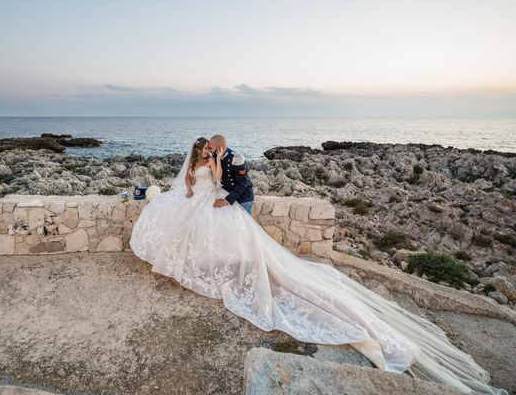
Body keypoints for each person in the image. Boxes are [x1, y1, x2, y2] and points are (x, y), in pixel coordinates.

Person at [129, 137, 506, 395]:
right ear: (198, 150)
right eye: (207, 149)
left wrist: (216, 174)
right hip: (205, 202)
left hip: (222, 204)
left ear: (216, 147)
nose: (210, 151)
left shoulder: (220, 160)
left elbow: (224, 181)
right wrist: (198, 188)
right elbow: (195, 186)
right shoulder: (196, 163)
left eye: (213, 148)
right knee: (198, 240)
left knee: (246, 250)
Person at [207, 134, 254, 215]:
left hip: (243, 198)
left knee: (242, 225)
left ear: (219, 148)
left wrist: (226, 201)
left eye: (210, 148)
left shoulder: (237, 158)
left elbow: (243, 184)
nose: (209, 150)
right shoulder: (215, 156)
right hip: (226, 193)